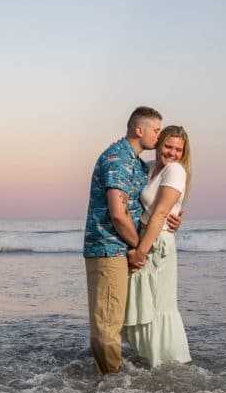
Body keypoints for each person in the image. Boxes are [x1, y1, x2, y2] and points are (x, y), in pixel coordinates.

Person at [83, 108, 182, 374]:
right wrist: (140, 247)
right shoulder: (118, 159)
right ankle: (111, 386)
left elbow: (154, 204)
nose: (159, 136)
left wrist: (174, 217)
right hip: (109, 247)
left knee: (116, 320)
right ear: (140, 131)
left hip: (124, 248)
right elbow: (118, 213)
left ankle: (115, 380)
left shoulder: (138, 163)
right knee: (107, 322)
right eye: (157, 131)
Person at [123, 126, 193, 367]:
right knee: (147, 301)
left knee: (160, 305)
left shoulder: (175, 170)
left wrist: (140, 251)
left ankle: (168, 361)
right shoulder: (153, 168)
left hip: (156, 243)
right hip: (148, 237)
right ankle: (149, 358)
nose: (172, 153)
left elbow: (161, 212)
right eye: (168, 146)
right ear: (159, 143)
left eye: (178, 149)